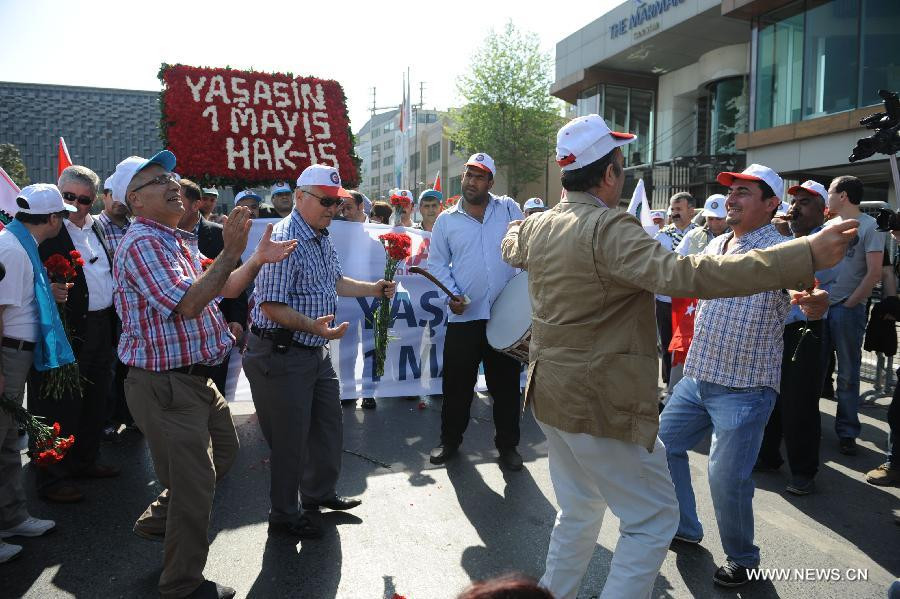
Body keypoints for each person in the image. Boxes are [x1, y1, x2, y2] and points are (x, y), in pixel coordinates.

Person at [501, 115, 856, 599]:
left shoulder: (540, 224)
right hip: (599, 401)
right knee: (652, 520)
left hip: (550, 394)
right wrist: (806, 253)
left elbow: (511, 244)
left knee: (579, 510)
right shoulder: (608, 227)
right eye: (620, 166)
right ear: (608, 175)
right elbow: (685, 275)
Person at [110, 150, 296, 599]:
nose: (173, 183)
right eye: (158, 180)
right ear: (134, 200)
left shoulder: (175, 237)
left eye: (172, 174)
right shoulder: (141, 243)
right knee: (195, 490)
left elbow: (223, 287)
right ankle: (182, 586)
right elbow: (190, 303)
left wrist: (253, 259)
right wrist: (232, 250)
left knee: (223, 456)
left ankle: (159, 521)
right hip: (166, 385)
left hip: (194, 381)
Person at [659, 164, 839, 588]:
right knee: (663, 446)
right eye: (732, 191)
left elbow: (810, 297)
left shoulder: (782, 253)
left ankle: (743, 558)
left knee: (726, 478)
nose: (733, 199)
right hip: (698, 379)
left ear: (771, 204)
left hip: (745, 389)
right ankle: (686, 524)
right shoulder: (718, 241)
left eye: (743, 192)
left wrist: (819, 303)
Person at [243, 164, 396, 539]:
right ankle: (283, 514)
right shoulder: (284, 238)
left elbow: (336, 282)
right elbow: (271, 307)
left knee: (328, 427)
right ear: (299, 197)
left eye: (338, 202)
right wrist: (313, 327)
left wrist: (374, 288)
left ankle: (316, 493)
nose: (333, 208)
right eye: (326, 201)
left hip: (313, 351)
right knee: (290, 441)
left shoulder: (320, 235)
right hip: (282, 353)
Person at [26, 165, 120, 504]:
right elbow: (23, 276)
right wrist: (46, 288)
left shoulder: (99, 228)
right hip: (62, 330)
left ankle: (84, 460)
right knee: (56, 404)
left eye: (84, 199)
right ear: (57, 193)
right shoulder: (46, 229)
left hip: (100, 326)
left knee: (95, 400)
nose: (77, 205)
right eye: (69, 197)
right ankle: (50, 478)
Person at [427, 152, 525, 471]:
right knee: (457, 385)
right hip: (464, 317)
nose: (471, 181)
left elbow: (524, 249)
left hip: (504, 317)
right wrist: (452, 294)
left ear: (491, 182)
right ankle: (450, 441)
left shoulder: (509, 209)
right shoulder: (446, 220)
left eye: (479, 176)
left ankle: (508, 446)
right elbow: (437, 264)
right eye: (468, 175)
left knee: (506, 387)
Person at [0, 184, 74, 563]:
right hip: (8, 355)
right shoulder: (12, 249)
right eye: (62, 213)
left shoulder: (19, 242)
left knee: (8, 441)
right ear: (52, 219)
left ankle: (11, 518)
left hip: (19, 353)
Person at [756, 180, 836, 495]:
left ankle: (803, 471)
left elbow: (807, 278)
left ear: (823, 210)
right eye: (794, 202)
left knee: (800, 401)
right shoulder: (791, 239)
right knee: (773, 394)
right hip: (781, 327)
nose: (795, 208)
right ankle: (769, 454)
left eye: (804, 202)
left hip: (806, 329)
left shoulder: (826, 240)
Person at [823, 175, 885, 456]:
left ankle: (847, 432)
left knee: (848, 374)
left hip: (846, 311)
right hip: (820, 308)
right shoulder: (827, 227)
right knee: (816, 371)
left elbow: (874, 273)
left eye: (831, 191)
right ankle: (813, 425)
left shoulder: (871, 226)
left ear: (844, 195)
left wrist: (850, 304)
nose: (828, 195)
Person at [177, 179, 249, 397]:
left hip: (219, 329)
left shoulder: (220, 234)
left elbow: (236, 278)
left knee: (214, 392)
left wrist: (236, 318)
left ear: (195, 204)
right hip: (181, 333)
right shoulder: (163, 235)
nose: (170, 205)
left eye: (176, 200)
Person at [653, 192, 697, 388]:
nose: (674, 213)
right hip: (666, 300)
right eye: (673, 209)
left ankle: (686, 385)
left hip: (690, 302)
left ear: (691, 210)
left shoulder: (700, 235)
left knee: (688, 345)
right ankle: (669, 384)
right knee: (668, 344)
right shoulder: (662, 236)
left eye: (679, 209)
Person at [97, 175, 130, 253]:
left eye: (124, 197)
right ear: (104, 197)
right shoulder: (91, 227)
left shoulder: (136, 228)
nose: (119, 202)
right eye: (114, 196)